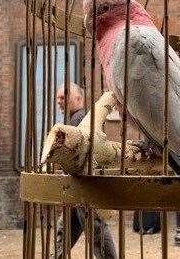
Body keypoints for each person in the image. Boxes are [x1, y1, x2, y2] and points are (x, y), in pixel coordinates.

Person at [53, 82, 117, 259]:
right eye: (58, 97)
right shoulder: (78, 118)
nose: (59, 101)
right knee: (66, 228)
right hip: (79, 185)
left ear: (79, 98)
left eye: (64, 97)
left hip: (85, 184)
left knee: (96, 230)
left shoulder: (79, 119)